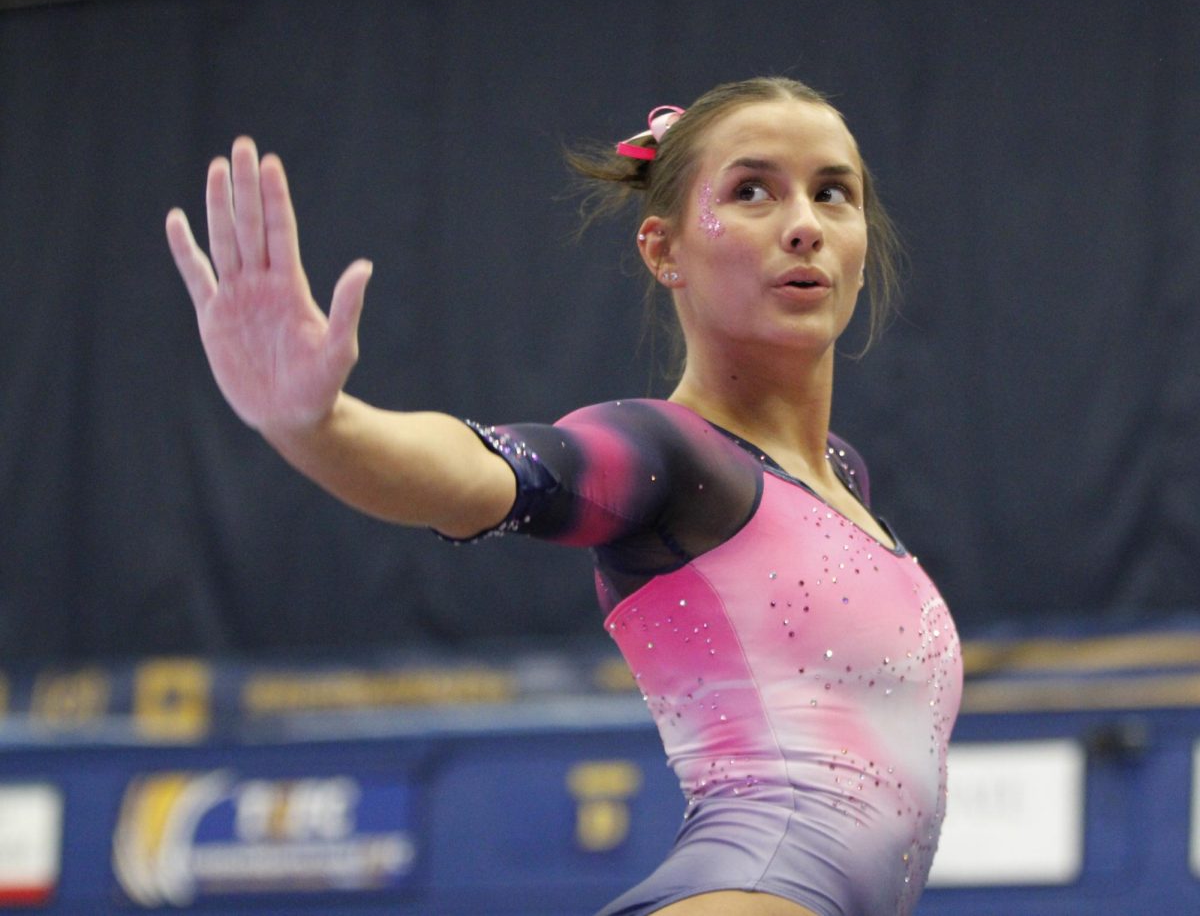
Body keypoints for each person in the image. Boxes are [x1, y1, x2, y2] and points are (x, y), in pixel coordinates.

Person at [166, 77, 963, 916]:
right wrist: (320, 426)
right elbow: (489, 473)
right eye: (752, 190)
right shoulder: (670, 454)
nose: (804, 223)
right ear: (665, 250)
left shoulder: (843, 478)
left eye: (833, 192)